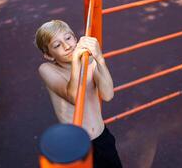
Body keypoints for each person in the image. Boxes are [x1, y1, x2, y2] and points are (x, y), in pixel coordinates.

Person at [35, 20, 122, 168]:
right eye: (57, 45)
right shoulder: (47, 69)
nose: (67, 46)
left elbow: (108, 95)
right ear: (49, 55)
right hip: (78, 145)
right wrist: (76, 60)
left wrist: (99, 59)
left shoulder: (90, 63)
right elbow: (74, 97)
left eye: (68, 38)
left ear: (75, 38)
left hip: (102, 136)